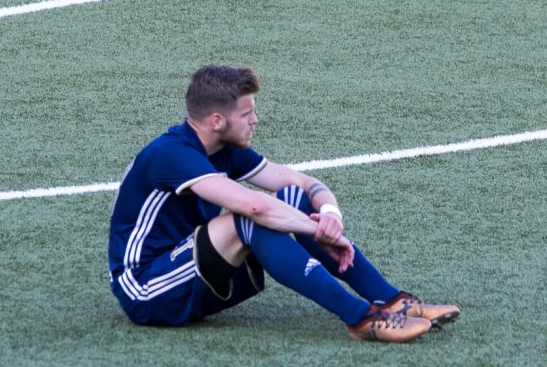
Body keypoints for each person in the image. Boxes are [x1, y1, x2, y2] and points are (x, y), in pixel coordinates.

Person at [107, 65, 459, 342]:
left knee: (293, 198)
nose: (255, 120)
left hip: (193, 271)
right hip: (146, 288)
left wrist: (330, 216)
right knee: (248, 219)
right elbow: (255, 208)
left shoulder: (224, 149)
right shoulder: (171, 154)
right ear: (217, 121)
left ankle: (393, 300)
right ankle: (363, 318)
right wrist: (318, 231)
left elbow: (304, 183)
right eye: (246, 114)